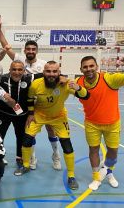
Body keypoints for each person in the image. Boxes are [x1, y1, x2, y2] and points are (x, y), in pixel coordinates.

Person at [0, 16, 61, 171]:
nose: (30, 51)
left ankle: (56, 154)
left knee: (50, 129)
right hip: (27, 104)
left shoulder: (44, 65)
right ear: (24, 51)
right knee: (30, 132)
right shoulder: (19, 60)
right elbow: (6, 46)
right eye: (28, 49)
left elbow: (55, 75)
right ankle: (31, 156)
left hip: (43, 103)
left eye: (33, 49)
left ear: (36, 51)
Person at [17, 61, 89, 190]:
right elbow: (29, 98)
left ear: (59, 72)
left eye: (55, 71)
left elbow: (86, 96)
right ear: (43, 72)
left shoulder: (66, 84)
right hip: (39, 115)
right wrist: (31, 113)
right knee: (26, 140)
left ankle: (71, 176)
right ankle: (26, 165)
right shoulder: (36, 84)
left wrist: (78, 88)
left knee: (67, 146)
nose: (51, 74)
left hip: (59, 117)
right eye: (48, 71)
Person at [77, 55, 124, 190]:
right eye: (85, 67)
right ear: (81, 69)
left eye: (91, 66)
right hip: (91, 123)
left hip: (112, 123)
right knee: (93, 150)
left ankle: (107, 171)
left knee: (113, 152)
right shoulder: (78, 83)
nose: (89, 69)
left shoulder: (109, 79)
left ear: (97, 67)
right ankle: (96, 178)